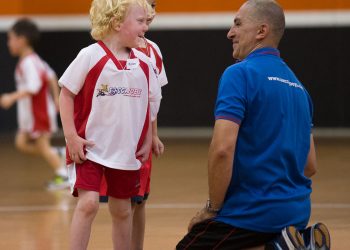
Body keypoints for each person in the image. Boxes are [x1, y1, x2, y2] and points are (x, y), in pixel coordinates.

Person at [176, 0, 330, 249]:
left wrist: (211, 210)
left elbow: (222, 150)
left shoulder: (239, 74)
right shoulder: (299, 88)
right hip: (296, 214)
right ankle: (283, 244)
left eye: (237, 24)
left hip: (251, 214)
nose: (230, 33)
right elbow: (309, 164)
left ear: (261, 31)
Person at [58, 0, 161, 249]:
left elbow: (150, 104)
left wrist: (148, 137)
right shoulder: (90, 55)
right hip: (89, 147)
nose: (145, 27)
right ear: (117, 23)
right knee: (89, 203)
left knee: (123, 209)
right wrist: (70, 136)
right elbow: (66, 94)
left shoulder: (145, 63)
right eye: (140, 21)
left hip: (126, 150)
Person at [0, 18, 68, 191]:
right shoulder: (32, 60)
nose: (9, 43)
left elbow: (34, 86)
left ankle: (63, 175)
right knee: (21, 143)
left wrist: (11, 97)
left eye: (11, 38)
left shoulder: (29, 62)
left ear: (21, 40)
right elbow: (51, 75)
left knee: (42, 145)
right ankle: (58, 154)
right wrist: (56, 97)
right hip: (31, 114)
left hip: (39, 112)